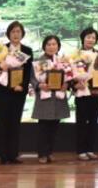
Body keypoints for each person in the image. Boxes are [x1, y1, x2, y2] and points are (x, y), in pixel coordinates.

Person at [0, 21, 32, 164]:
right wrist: (0, 66)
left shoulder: (27, 50)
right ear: (8, 34)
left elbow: (28, 72)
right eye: (13, 32)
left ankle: (13, 154)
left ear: (22, 34)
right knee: (3, 121)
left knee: (15, 122)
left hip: (19, 91)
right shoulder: (2, 49)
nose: (16, 34)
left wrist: (22, 86)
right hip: (4, 90)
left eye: (18, 32)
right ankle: (2, 154)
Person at [31, 35, 70, 164]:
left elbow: (69, 76)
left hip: (58, 98)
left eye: (54, 44)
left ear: (58, 46)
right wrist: (39, 85)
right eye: (48, 44)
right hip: (45, 97)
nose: (51, 47)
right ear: (44, 46)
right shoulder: (38, 61)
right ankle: (42, 153)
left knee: (54, 127)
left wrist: (67, 84)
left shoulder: (62, 61)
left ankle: (50, 152)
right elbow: (32, 78)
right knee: (43, 127)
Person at [74, 27, 98, 161]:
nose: (90, 40)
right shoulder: (75, 55)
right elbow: (69, 73)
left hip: (96, 93)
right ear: (83, 38)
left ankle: (90, 149)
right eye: (88, 37)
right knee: (81, 122)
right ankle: (81, 150)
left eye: (93, 38)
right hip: (81, 92)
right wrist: (75, 84)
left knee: (93, 121)